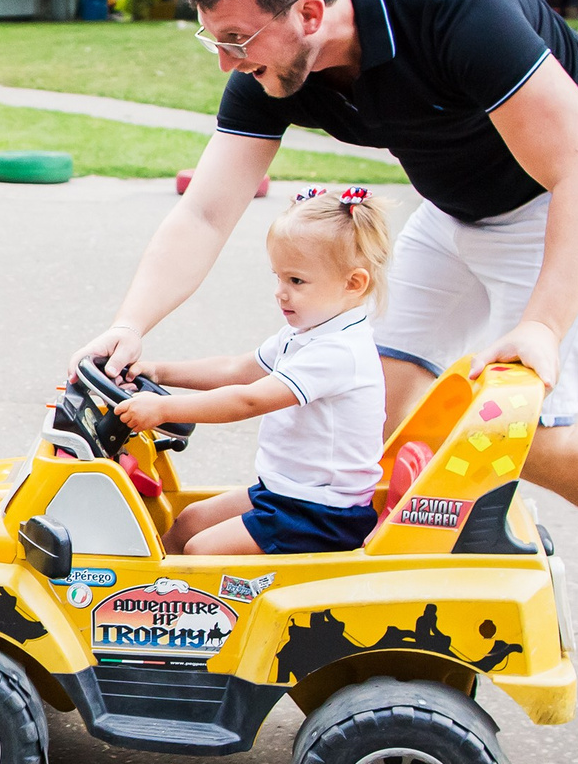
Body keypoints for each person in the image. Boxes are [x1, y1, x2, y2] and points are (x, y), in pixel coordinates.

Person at [74, 0, 578, 698]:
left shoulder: (457, 7)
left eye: (237, 38)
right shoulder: (276, 68)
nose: (225, 60)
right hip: (456, 209)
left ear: (310, 12)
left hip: (576, 191)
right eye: (213, 38)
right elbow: (208, 208)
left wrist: (543, 326)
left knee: (523, 433)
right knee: (374, 397)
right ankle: (398, 602)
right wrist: (130, 325)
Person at [116, 187, 392, 555]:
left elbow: (249, 400)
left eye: (296, 281)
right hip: (284, 492)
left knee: (203, 551)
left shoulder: (339, 351)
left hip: (320, 513)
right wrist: (157, 370)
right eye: (277, 277)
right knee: (188, 523)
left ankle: (185, 608)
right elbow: (238, 369)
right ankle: (150, 600)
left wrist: (163, 409)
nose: (280, 292)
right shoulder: (306, 332)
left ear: (353, 283)